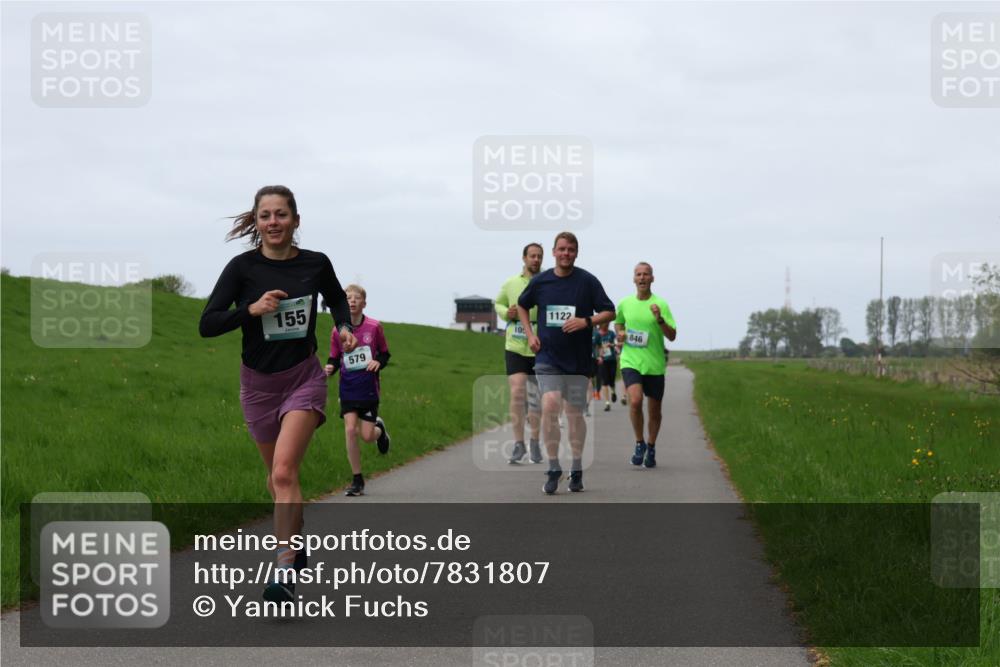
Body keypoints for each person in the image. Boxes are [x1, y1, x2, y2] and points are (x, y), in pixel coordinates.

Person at [199, 185, 356, 603]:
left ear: (296, 221)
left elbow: (337, 299)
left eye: (281, 214)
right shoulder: (241, 268)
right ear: (257, 221)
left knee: (285, 473)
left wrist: (344, 328)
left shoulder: (315, 264)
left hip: (303, 378)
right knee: (276, 479)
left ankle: (284, 569)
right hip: (257, 386)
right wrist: (251, 309)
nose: (274, 222)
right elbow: (207, 323)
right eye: (266, 215)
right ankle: (297, 544)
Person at [517, 232, 615, 494]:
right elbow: (522, 305)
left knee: (574, 415)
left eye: (571, 250)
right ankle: (553, 467)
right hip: (548, 356)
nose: (566, 254)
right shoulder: (541, 281)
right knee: (549, 404)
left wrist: (587, 321)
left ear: (576, 252)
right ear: (554, 252)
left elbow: (609, 310)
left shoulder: (587, 281)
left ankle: (577, 466)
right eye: (561, 249)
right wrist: (530, 334)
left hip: (577, 361)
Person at [324, 284, 391, 496]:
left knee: (367, 435)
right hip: (348, 389)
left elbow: (385, 354)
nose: (352, 301)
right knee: (350, 430)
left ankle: (380, 432)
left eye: (356, 298)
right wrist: (330, 368)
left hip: (369, 388)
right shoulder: (337, 331)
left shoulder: (374, 327)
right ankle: (357, 479)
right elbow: (334, 357)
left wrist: (378, 363)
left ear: (364, 303)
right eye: (348, 298)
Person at [614, 262, 677, 469]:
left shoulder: (661, 304)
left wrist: (659, 319)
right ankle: (639, 443)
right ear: (634, 279)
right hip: (630, 360)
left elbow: (672, 335)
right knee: (634, 401)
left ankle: (651, 446)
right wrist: (620, 332)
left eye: (646, 274)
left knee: (655, 410)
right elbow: (618, 322)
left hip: (655, 364)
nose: (642, 278)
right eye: (638, 275)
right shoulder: (624, 303)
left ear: (652, 278)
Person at [495, 243, 544, 464]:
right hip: (515, 344)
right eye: (532, 256)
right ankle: (518, 444)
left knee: (535, 397)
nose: (536, 260)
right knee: (517, 393)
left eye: (539, 256)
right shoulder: (510, 283)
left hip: (540, 345)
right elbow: (498, 303)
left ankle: (534, 442)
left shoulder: (547, 281)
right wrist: (507, 312)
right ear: (524, 258)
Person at [594, 322, 618, 411]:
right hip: (603, 361)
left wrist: (610, 345)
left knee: (612, 381)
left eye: (607, 325)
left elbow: (616, 344)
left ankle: (613, 392)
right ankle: (607, 403)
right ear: (601, 325)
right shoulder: (597, 335)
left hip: (612, 360)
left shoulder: (611, 333)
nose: (606, 327)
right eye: (605, 325)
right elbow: (595, 346)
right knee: (605, 382)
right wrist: (598, 356)